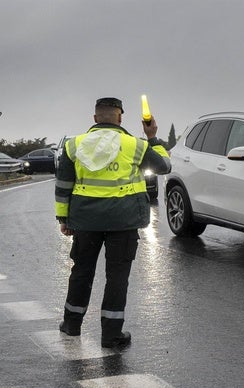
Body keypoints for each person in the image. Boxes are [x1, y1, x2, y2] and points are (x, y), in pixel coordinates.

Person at [54, 96, 171, 348]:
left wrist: (63, 218)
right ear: (120, 117)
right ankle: (111, 335)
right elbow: (164, 166)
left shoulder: (74, 145)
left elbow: (63, 185)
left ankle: (72, 325)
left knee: (81, 272)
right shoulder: (135, 145)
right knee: (117, 277)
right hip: (124, 221)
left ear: (95, 118)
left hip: (85, 221)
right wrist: (152, 137)